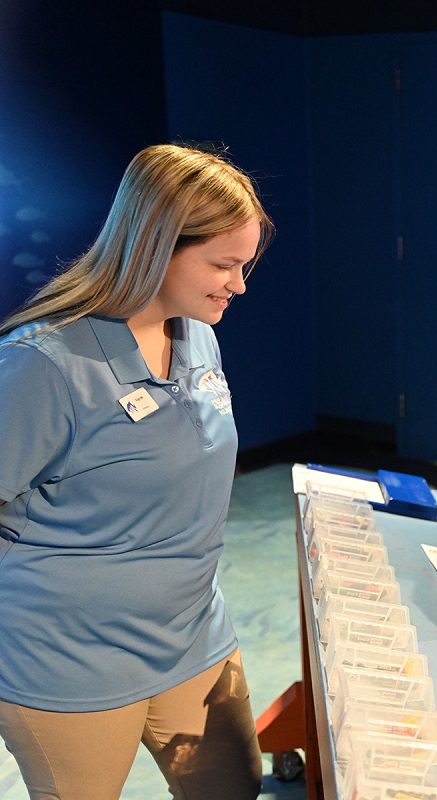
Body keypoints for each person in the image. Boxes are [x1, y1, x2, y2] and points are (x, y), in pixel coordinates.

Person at [0, 144, 273, 800]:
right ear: (157, 247)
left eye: (244, 264)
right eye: (223, 265)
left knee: (235, 788)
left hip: (191, 636)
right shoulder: (44, 364)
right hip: (70, 665)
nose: (238, 285)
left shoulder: (198, 332)